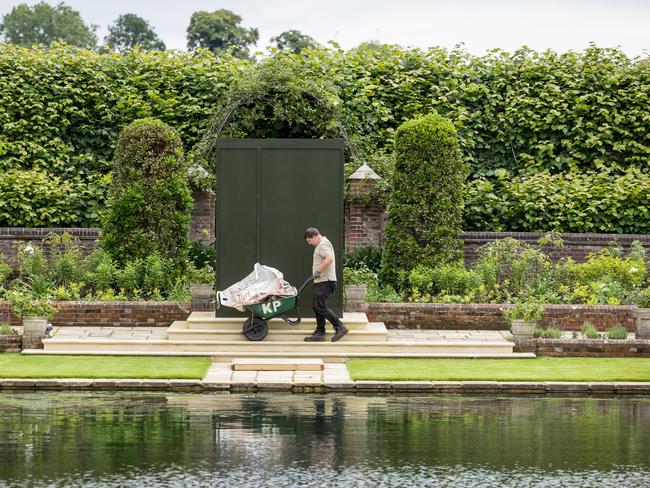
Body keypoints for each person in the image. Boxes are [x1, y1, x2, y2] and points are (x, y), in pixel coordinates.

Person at [303, 227, 349, 342]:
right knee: (316, 306)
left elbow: (329, 259)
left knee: (320, 306)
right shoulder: (323, 243)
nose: (309, 243)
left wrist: (318, 271)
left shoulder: (322, 244)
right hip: (322, 281)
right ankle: (320, 332)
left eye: (309, 241)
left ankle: (340, 327)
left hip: (325, 281)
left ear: (313, 236)